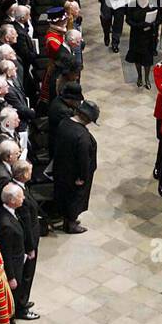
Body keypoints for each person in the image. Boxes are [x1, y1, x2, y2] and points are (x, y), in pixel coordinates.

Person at [53, 98, 99, 234]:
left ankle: (68, 219)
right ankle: (71, 224)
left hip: (62, 168)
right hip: (75, 174)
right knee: (75, 198)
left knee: (66, 196)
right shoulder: (82, 136)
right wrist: (82, 176)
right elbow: (83, 160)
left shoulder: (64, 123)